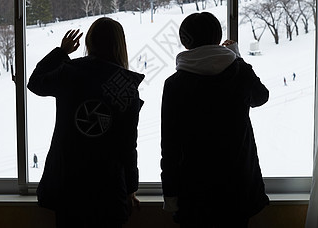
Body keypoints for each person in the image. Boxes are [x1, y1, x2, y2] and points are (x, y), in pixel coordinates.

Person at [28, 18, 143, 228]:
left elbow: (35, 82)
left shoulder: (70, 72)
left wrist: (61, 53)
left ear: (89, 42)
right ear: (120, 45)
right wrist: (130, 189)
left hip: (69, 188)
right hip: (108, 190)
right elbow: (128, 145)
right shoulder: (124, 86)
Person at [160, 12, 269, 228]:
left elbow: (170, 144)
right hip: (238, 186)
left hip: (194, 189)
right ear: (217, 37)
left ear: (185, 41)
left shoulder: (175, 84)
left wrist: (170, 192)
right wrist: (237, 58)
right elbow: (260, 97)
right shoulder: (239, 72)